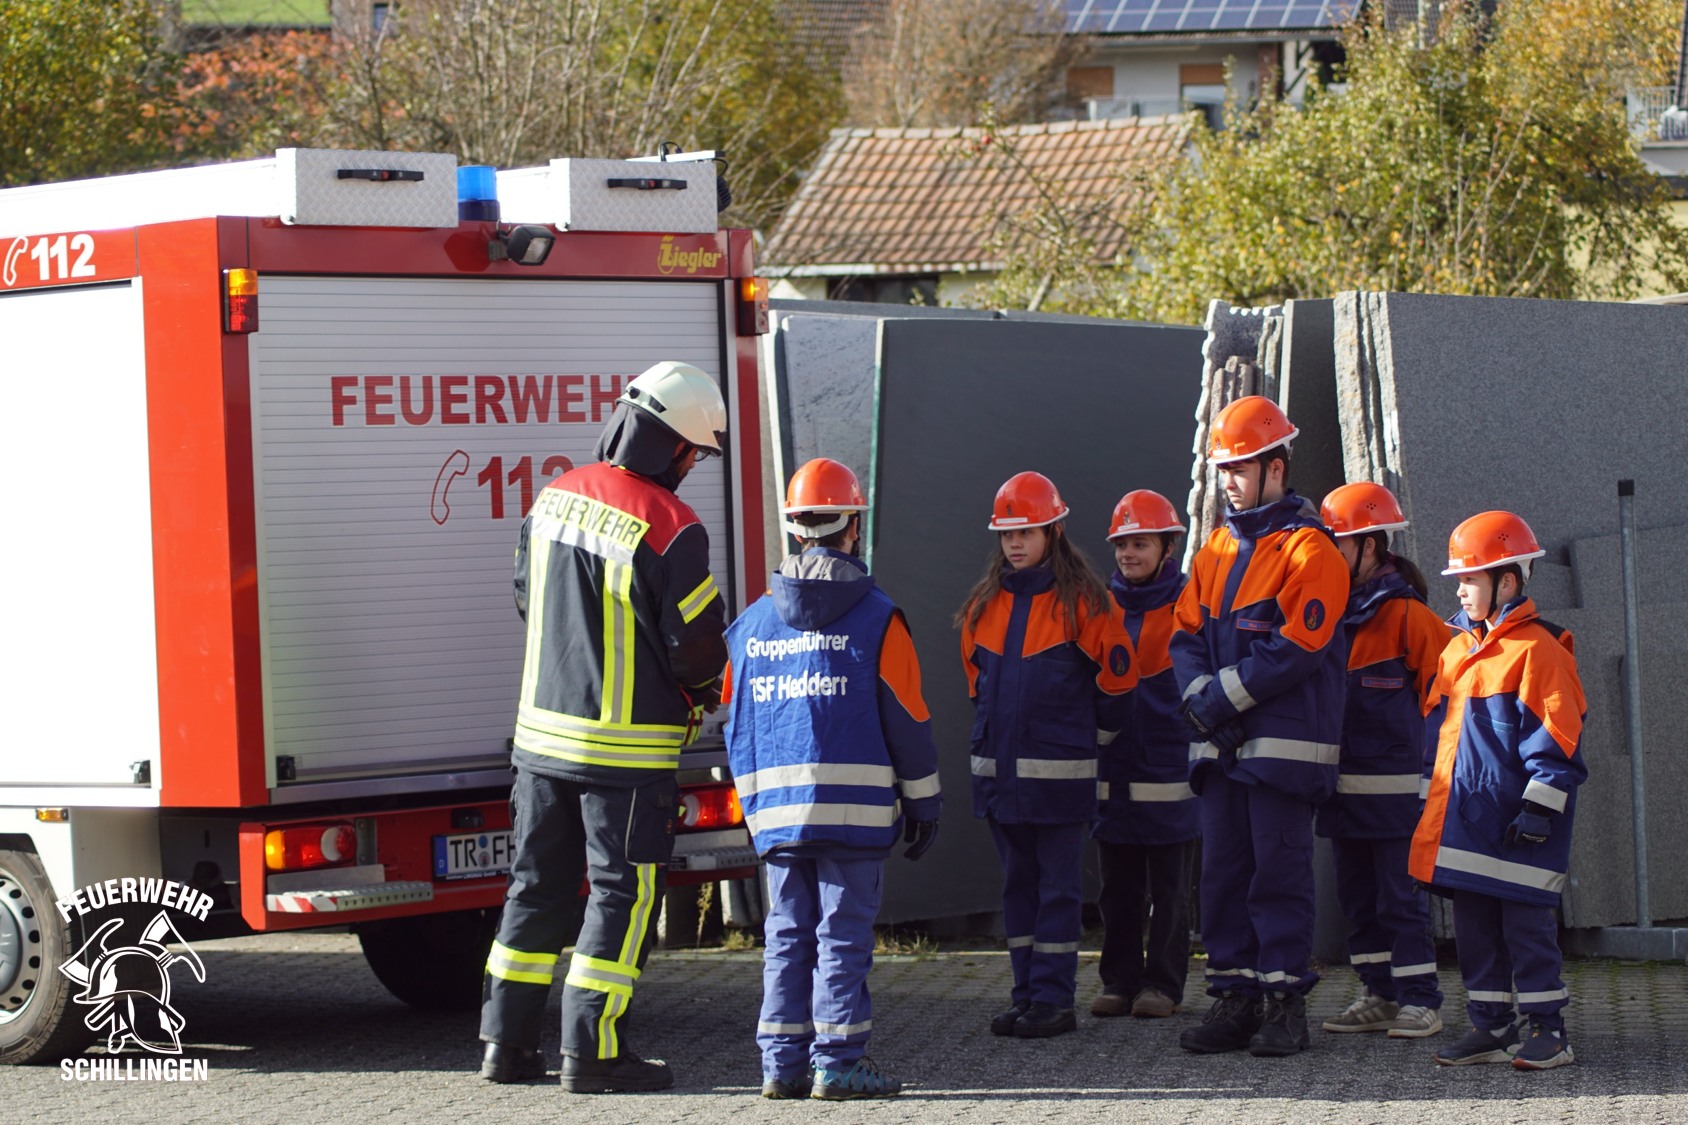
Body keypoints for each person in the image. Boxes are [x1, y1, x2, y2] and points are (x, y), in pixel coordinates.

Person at [479, 360, 730, 1093]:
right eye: (694, 453)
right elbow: (697, 649)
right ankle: (592, 1053)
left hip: (539, 744)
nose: (692, 467)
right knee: (622, 896)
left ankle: (505, 1047)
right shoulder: (673, 526)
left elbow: (524, 595)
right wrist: (703, 694)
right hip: (626, 757)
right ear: (672, 445)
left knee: (535, 889)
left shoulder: (553, 496)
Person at [721, 458, 942, 1101]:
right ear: (854, 527)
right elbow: (909, 719)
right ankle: (838, 1063)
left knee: (786, 935)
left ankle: (781, 1065)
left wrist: (755, 805)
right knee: (841, 936)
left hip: (779, 818)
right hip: (856, 817)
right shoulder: (878, 618)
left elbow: (734, 721)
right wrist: (925, 803)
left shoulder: (751, 626)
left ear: (795, 530)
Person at [1169, 396, 1348, 1058]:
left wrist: (1218, 700)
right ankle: (1236, 998)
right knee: (1222, 877)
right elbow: (1185, 635)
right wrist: (1203, 698)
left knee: (1278, 876)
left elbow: (1298, 646)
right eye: (1224, 469)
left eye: (1240, 468)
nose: (1230, 481)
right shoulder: (1216, 547)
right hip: (1224, 750)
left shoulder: (1310, 549)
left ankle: (1284, 1005)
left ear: (1277, 466)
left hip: (1281, 751)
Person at [957, 471, 1135, 1040]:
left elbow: (1118, 690)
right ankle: (1026, 996)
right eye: (1007, 533)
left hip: (1059, 783)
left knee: (1057, 891)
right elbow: (977, 692)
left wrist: (1084, 747)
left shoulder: (1087, 603)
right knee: (1018, 888)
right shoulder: (983, 606)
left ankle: (1054, 1000)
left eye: (1026, 532)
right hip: (1001, 780)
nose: (1015, 543)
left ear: (1052, 531)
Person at [1412, 511, 1587, 1071]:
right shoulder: (1456, 651)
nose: (1460, 590)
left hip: (1518, 827)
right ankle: (1490, 1026)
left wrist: (1539, 811)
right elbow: (1438, 739)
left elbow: (1558, 740)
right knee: (1476, 933)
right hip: (1467, 824)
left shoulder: (1539, 650)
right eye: (1459, 580)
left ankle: (1548, 1031)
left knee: (1527, 930)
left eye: (1470, 579)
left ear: (1507, 581)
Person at [1315, 483, 1451, 1041]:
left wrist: (1431, 784)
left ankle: (1421, 1000)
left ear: (1369, 547)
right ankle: (1379, 993)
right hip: (1343, 797)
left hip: (1397, 802)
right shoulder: (1328, 615)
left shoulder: (1408, 617)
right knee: (1358, 901)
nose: (1326, 557)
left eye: (1336, 545)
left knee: (1399, 900)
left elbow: (1446, 706)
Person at [1090, 490, 1198, 1022]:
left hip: (1169, 767)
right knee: (1118, 887)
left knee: (1171, 889)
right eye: (1122, 545)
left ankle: (1163, 986)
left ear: (1166, 547)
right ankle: (1118, 982)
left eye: (1140, 544)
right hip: (1113, 770)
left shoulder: (1188, 605)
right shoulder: (1099, 605)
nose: (1128, 554)